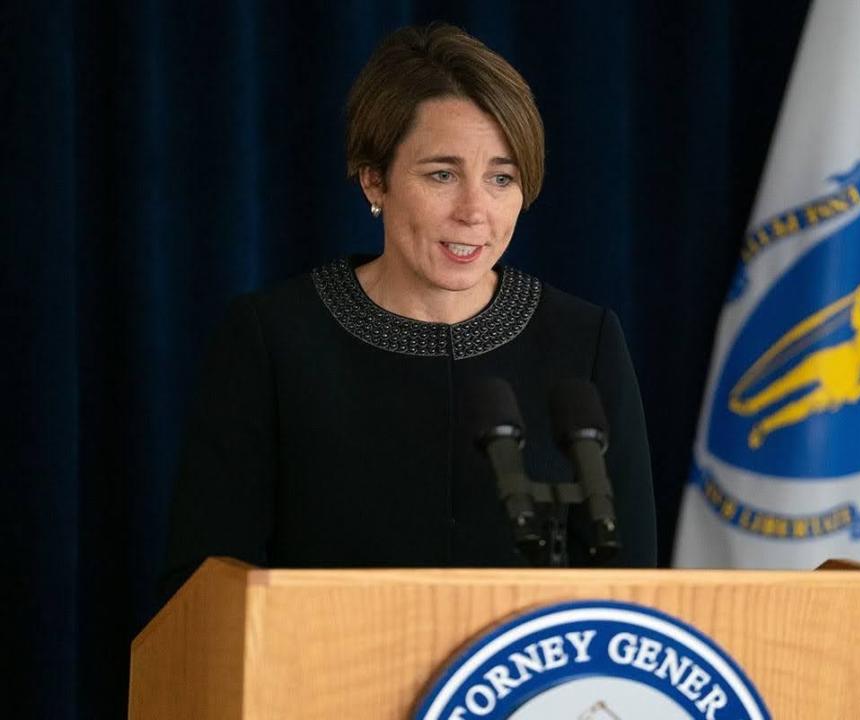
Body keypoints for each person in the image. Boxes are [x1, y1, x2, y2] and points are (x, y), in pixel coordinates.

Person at [162, 24, 656, 598]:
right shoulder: (275, 338)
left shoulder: (584, 339)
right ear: (375, 179)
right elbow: (203, 588)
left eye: (501, 178)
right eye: (442, 174)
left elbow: (632, 586)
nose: (475, 211)